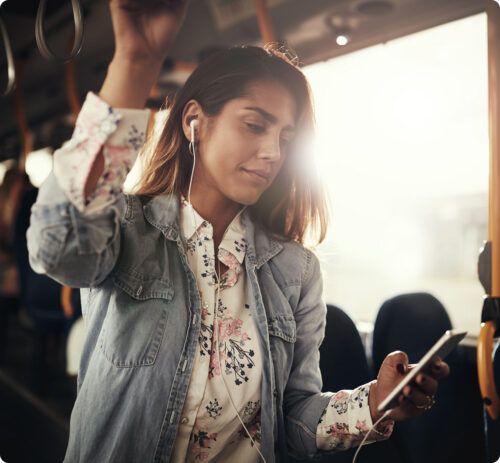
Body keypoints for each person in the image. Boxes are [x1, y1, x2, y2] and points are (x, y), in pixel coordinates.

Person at [26, 1, 450, 462]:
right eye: (254, 125)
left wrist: (374, 403)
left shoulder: (295, 270)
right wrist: (135, 63)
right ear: (194, 123)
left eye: (286, 139)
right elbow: (59, 246)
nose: (273, 152)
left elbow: (291, 418)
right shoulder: (129, 227)